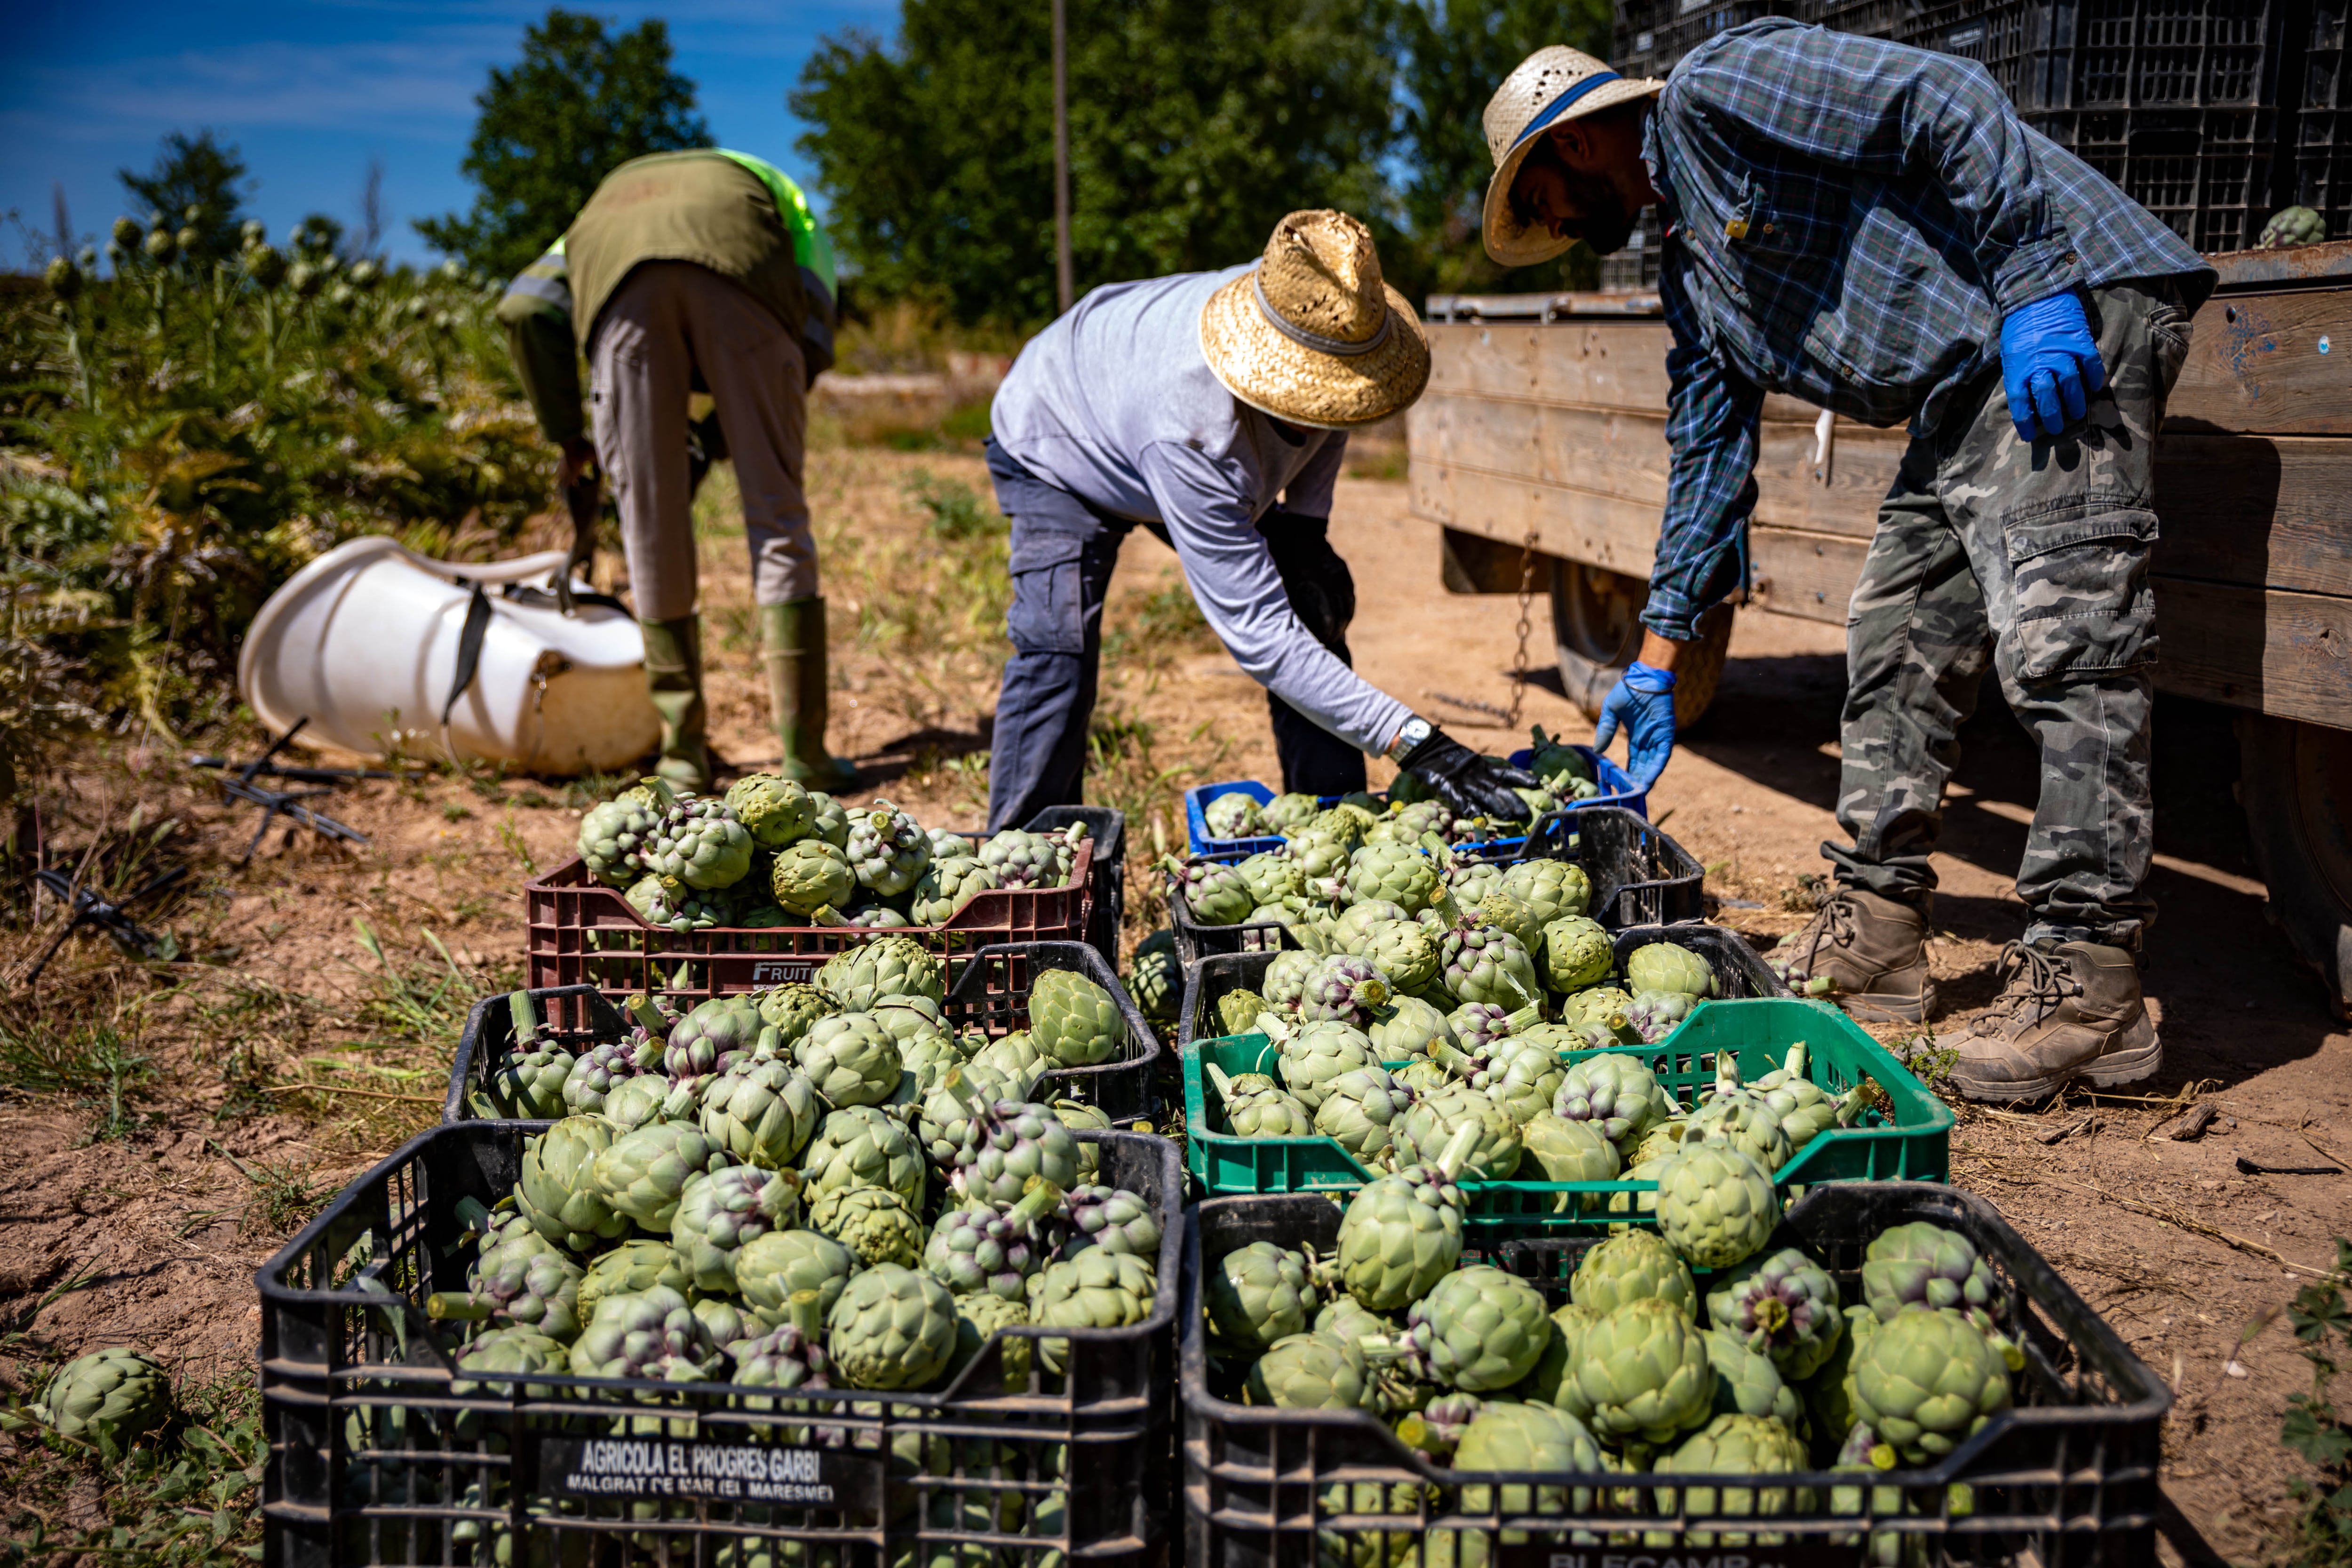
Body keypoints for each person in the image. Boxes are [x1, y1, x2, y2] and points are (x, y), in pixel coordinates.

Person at [1481, 30, 2215, 1102]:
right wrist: (1655, 660)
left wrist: (2030, 283)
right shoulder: (1692, 272)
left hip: (2068, 308)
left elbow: (1943, 96)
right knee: (1893, 640)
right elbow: (1708, 455)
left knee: (2069, 640)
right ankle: (1874, 935)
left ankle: (2091, 984)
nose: (1549, 225)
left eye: (1537, 198)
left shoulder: (1715, 94)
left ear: (1577, 143)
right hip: (1957, 390)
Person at [983, 209, 1538, 831]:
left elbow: (1335, 416)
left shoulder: (1321, 301)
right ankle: (1026, 856)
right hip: (1057, 435)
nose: (1328, 410)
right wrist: (1419, 743)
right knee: (1057, 648)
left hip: (1143, 419)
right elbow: (1261, 636)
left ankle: (1337, 821)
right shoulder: (1193, 434)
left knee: (1312, 609)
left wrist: (1307, 532)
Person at [496, 147, 855, 794]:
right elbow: (813, 325)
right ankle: (806, 755)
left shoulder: (601, 209)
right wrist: (727, 435)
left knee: (650, 533)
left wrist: (569, 435)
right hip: (748, 288)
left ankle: (682, 756)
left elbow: (525, 309)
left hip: (624, 298)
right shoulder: (778, 192)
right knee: (777, 518)